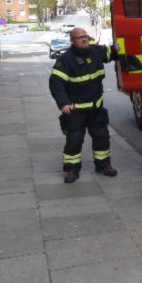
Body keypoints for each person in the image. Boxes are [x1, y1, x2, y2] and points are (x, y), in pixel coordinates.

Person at [49, 28, 120, 183]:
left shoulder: (95, 51)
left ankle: (103, 165)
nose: (84, 40)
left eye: (85, 37)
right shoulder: (66, 59)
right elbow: (56, 83)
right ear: (72, 41)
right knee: (74, 140)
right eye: (80, 38)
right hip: (76, 111)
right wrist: (63, 104)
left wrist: (116, 50)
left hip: (96, 108)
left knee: (102, 138)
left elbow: (110, 54)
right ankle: (71, 170)